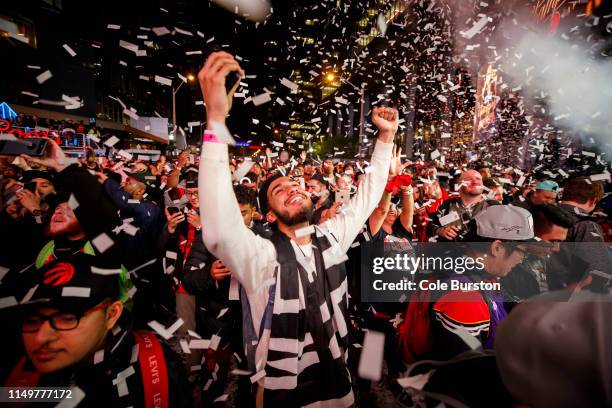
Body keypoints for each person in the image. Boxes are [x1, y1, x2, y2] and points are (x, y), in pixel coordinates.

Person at [197, 51, 396, 407]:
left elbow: (368, 193)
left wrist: (385, 138)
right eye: (278, 191)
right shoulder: (261, 256)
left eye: (294, 184)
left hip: (338, 387)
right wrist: (215, 120)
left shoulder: (332, 238)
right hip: (280, 393)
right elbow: (219, 231)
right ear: (270, 216)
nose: (292, 188)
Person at [4, 253, 191, 407]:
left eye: (67, 318)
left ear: (111, 315)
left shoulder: (156, 371)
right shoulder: (15, 370)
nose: (40, 338)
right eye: (32, 320)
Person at [399, 205, 534, 363]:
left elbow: (502, 301)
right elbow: (471, 364)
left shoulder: (474, 270)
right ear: (497, 248)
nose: (521, 260)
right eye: (523, 252)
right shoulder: (466, 298)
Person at [501, 204, 576, 301]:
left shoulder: (553, 258)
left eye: (560, 241)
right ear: (530, 233)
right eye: (553, 241)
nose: (556, 248)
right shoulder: (502, 266)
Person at [549, 176, 610, 291]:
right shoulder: (585, 225)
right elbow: (600, 269)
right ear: (593, 201)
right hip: (562, 299)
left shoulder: (539, 215)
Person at [427, 169, 495, 241]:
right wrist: (440, 231)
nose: (475, 182)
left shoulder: (493, 206)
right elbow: (430, 227)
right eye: (468, 179)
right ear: (459, 185)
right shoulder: (448, 204)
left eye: (478, 179)